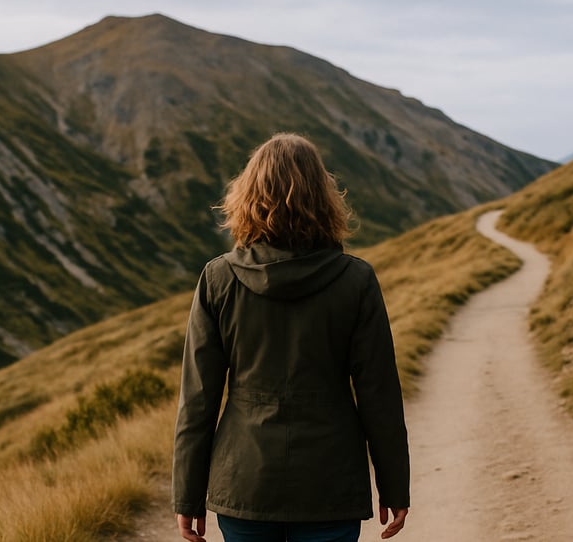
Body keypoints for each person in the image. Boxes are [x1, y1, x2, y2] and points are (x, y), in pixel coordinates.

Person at [172, 133, 410, 542]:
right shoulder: (356, 280)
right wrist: (394, 486)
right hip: (329, 481)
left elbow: (198, 401)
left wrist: (187, 496)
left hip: (244, 481)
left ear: (248, 196)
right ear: (323, 196)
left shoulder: (218, 278)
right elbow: (379, 395)